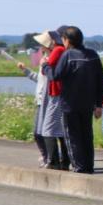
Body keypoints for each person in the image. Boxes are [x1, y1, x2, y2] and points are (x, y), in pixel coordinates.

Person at [43, 25, 103, 174]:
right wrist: (99, 104)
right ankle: (88, 166)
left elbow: (56, 76)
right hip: (88, 104)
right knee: (87, 136)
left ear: (67, 40)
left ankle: (79, 167)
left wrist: (45, 66)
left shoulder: (68, 55)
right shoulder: (93, 54)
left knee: (73, 137)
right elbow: (101, 81)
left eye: (63, 39)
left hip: (69, 104)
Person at [28, 29, 70, 170]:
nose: (41, 47)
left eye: (42, 44)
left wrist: (44, 64)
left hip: (54, 95)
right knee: (58, 131)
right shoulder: (58, 51)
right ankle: (61, 161)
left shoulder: (57, 51)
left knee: (48, 130)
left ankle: (53, 161)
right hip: (54, 95)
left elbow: (49, 72)